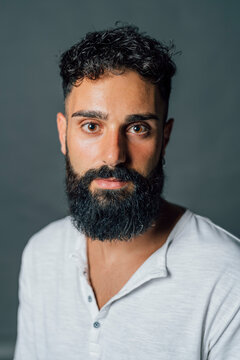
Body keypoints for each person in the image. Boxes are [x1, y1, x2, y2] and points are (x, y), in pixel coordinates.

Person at [14, 25, 240, 360]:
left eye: (138, 128)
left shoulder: (228, 276)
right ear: (64, 134)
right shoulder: (40, 255)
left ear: (164, 138)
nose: (114, 154)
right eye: (91, 126)